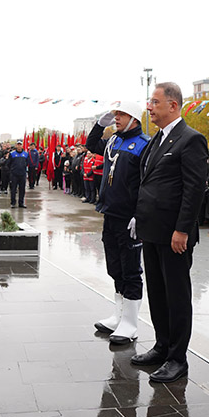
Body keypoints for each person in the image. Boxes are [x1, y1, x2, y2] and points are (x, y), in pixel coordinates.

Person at [130, 82, 207, 384]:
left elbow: (193, 190)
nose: (149, 107)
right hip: (152, 231)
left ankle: (178, 358)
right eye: (150, 102)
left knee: (176, 296)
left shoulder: (191, 140)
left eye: (155, 102)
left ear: (173, 105)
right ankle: (162, 347)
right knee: (158, 294)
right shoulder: (155, 141)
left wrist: (182, 230)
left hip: (175, 235)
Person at [86, 100, 150, 346]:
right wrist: (99, 125)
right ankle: (119, 315)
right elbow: (91, 145)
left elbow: (147, 182)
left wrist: (140, 213)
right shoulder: (114, 141)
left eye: (121, 115)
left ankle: (131, 323)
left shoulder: (143, 144)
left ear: (134, 118)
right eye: (115, 115)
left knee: (131, 270)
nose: (117, 119)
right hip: (110, 213)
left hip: (129, 218)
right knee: (115, 267)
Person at [8, 140, 29, 208]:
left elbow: (27, 163)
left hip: (22, 174)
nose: (19, 146)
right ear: (16, 145)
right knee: (13, 189)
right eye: (18, 145)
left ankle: (21, 203)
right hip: (14, 175)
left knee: (22, 189)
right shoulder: (12, 154)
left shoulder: (25, 154)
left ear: (22, 145)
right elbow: (9, 163)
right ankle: (13, 203)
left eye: (20, 145)